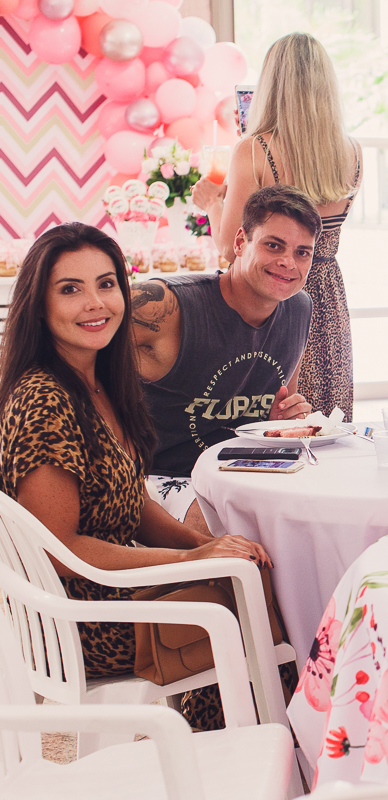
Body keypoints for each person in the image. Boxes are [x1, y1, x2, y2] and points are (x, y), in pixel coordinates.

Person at [0, 223, 275, 730]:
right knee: (253, 606)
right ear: (38, 305)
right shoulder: (43, 398)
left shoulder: (100, 382)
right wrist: (190, 558)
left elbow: (133, 500)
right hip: (81, 618)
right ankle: (242, 753)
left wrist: (202, 545)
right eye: (70, 289)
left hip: (117, 590)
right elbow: (63, 550)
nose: (95, 303)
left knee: (256, 578)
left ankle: (242, 746)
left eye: (106, 284)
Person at [192, 32, 360, 419]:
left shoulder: (255, 150)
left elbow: (229, 246)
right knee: (326, 420)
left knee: (274, 419)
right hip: (328, 292)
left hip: (274, 297)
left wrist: (213, 203)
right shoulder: (352, 152)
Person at [134, 185, 317, 532]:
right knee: (242, 538)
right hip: (162, 476)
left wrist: (278, 420)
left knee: (319, 517)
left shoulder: (299, 307)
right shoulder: (166, 305)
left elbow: (279, 406)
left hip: (245, 473)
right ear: (239, 242)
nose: (288, 263)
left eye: (302, 252)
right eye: (273, 245)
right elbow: (73, 342)